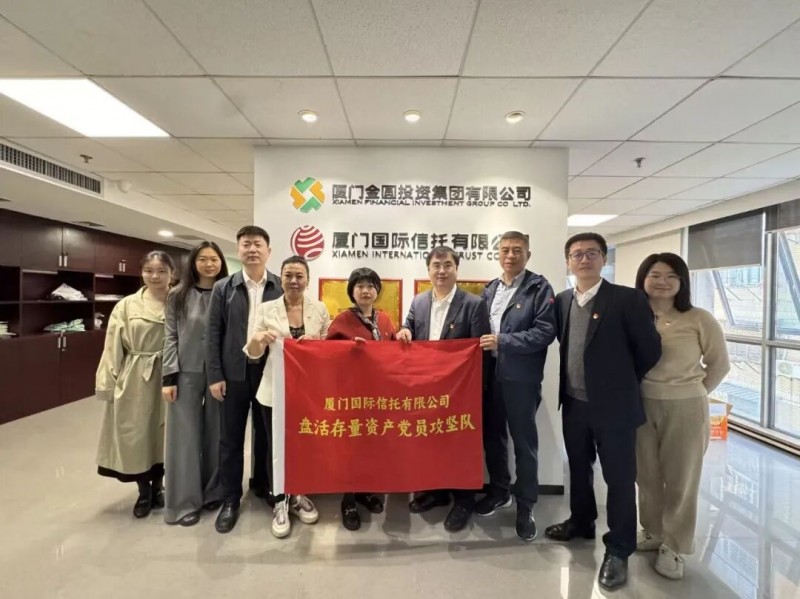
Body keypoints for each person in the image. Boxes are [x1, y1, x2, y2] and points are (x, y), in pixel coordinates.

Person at [544, 232, 661, 591]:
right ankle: (581, 522)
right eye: (576, 254)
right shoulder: (563, 300)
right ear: (568, 261)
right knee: (578, 469)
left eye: (591, 253)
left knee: (619, 478)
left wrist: (619, 383)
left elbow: (649, 350)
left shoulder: (627, 299)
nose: (584, 259)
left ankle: (619, 547)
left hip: (615, 407)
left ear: (603, 259)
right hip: (574, 403)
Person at [634, 253, 730, 580]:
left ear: (682, 282)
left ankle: (674, 545)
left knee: (681, 479)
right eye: (655, 275)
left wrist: (693, 391)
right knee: (646, 474)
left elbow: (719, 365)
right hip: (641, 404)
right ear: (643, 279)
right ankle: (652, 531)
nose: (662, 281)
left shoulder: (699, 318)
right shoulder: (634, 316)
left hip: (686, 407)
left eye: (670, 276)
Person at [396, 246, 491, 533]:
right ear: (428, 270)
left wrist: (476, 390)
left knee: (460, 444)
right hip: (428, 389)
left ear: (456, 269)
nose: (441, 271)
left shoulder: (474, 304)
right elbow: (409, 326)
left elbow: (480, 352)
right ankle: (437, 491)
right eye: (436, 265)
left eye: (447, 265)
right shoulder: (419, 301)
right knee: (433, 440)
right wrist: (405, 331)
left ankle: (464, 500)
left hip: (460, 391)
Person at [476, 231, 557, 542]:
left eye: (517, 250)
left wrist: (503, 341)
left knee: (524, 444)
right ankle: (500, 492)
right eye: (505, 250)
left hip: (521, 379)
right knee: (493, 438)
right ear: (498, 254)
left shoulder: (539, 287)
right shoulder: (490, 289)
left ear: (528, 255)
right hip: (491, 377)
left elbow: (545, 332)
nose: (510, 256)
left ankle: (526, 506)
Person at [245, 255, 330, 539]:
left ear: (308, 279)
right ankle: (280, 500)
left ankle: (299, 494)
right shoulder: (266, 309)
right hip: (274, 390)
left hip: (308, 391)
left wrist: (316, 345)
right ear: (280, 278)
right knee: (276, 446)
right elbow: (252, 353)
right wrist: (258, 340)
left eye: (299, 276)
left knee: (304, 444)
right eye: (288, 275)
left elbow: (330, 350)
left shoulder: (319, 309)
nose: (294, 281)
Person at [205, 226, 281, 534]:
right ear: (238, 250)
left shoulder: (280, 286)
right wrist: (215, 375)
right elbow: (213, 334)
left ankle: (263, 485)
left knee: (267, 434)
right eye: (246, 244)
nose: (252, 249)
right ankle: (230, 499)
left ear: (268, 251)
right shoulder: (223, 288)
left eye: (258, 244)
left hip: (268, 372)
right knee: (231, 438)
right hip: (233, 372)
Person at [96, 250, 176, 519]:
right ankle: (144, 491)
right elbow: (112, 346)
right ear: (141, 273)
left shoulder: (179, 302)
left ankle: (160, 486)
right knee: (138, 434)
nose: (155, 276)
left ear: (172, 274)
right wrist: (108, 382)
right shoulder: (127, 306)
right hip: (136, 377)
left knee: (164, 433)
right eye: (149, 271)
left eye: (162, 271)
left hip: (171, 374)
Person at [161, 242, 229, 526]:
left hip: (220, 373)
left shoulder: (228, 292)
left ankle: (214, 490)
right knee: (183, 438)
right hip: (185, 372)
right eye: (203, 259)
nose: (209, 264)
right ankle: (183, 502)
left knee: (217, 432)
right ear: (193, 262)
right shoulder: (178, 294)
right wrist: (169, 376)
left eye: (214, 259)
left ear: (221, 262)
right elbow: (170, 336)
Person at [326, 267, 397, 531]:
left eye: (370, 286)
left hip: (378, 397)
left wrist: (403, 337)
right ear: (352, 291)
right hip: (352, 397)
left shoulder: (386, 320)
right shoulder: (342, 320)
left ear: (377, 290)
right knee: (351, 449)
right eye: (360, 286)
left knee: (372, 446)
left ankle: (366, 491)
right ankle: (348, 500)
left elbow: (394, 355)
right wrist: (348, 350)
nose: (365, 291)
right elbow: (327, 355)